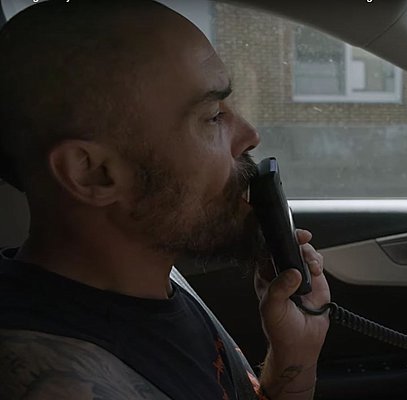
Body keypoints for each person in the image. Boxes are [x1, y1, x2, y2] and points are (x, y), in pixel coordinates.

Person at [0, 0, 330, 399]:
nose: (249, 135)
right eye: (212, 115)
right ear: (94, 172)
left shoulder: (155, 280)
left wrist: (295, 358)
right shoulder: (62, 382)